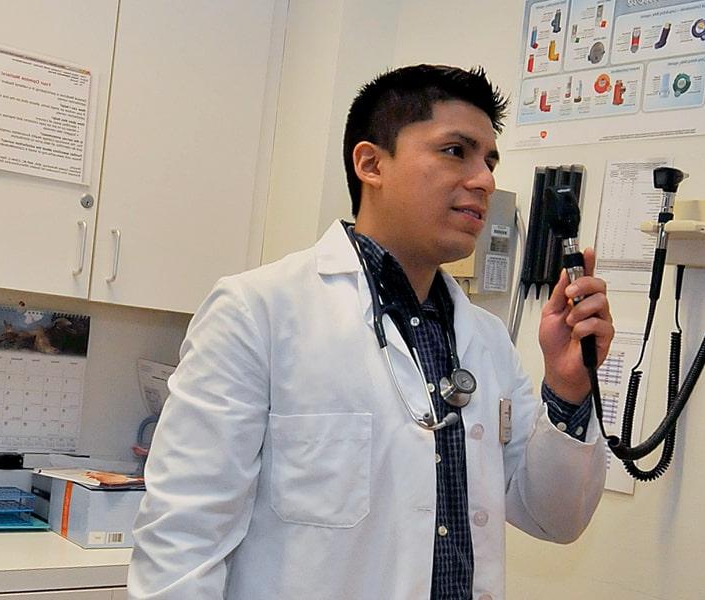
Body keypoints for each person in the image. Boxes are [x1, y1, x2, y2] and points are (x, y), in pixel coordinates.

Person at [128, 64, 612, 600]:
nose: (484, 179)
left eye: (489, 159)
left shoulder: (487, 339)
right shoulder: (258, 311)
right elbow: (182, 540)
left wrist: (569, 389)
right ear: (371, 163)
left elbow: (554, 518)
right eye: (456, 150)